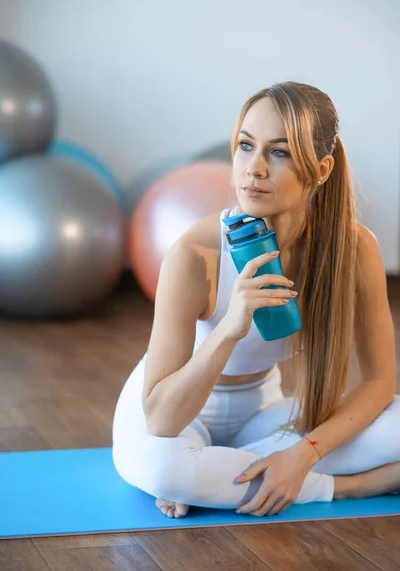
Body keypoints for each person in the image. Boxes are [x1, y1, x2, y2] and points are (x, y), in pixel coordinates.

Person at [112, 82, 400, 519]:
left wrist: (304, 453)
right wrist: (230, 326)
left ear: (321, 170)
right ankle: (347, 487)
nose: (255, 168)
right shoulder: (195, 254)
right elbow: (162, 421)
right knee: (165, 468)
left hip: (260, 413)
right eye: (246, 146)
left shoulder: (354, 249)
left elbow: (380, 384)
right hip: (177, 413)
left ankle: (220, 478)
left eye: (279, 152)